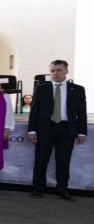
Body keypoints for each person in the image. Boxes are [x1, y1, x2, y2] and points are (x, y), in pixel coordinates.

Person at [28, 60, 87, 200]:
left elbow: (82, 112)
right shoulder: (41, 88)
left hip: (66, 129)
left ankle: (62, 190)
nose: (55, 73)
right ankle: (38, 189)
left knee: (63, 161)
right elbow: (34, 111)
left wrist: (82, 132)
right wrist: (32, 130)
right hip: (45, 129)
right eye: (52, 71)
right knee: (41, 160)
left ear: (66, 71)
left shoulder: (78, 89)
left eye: (59, 70)